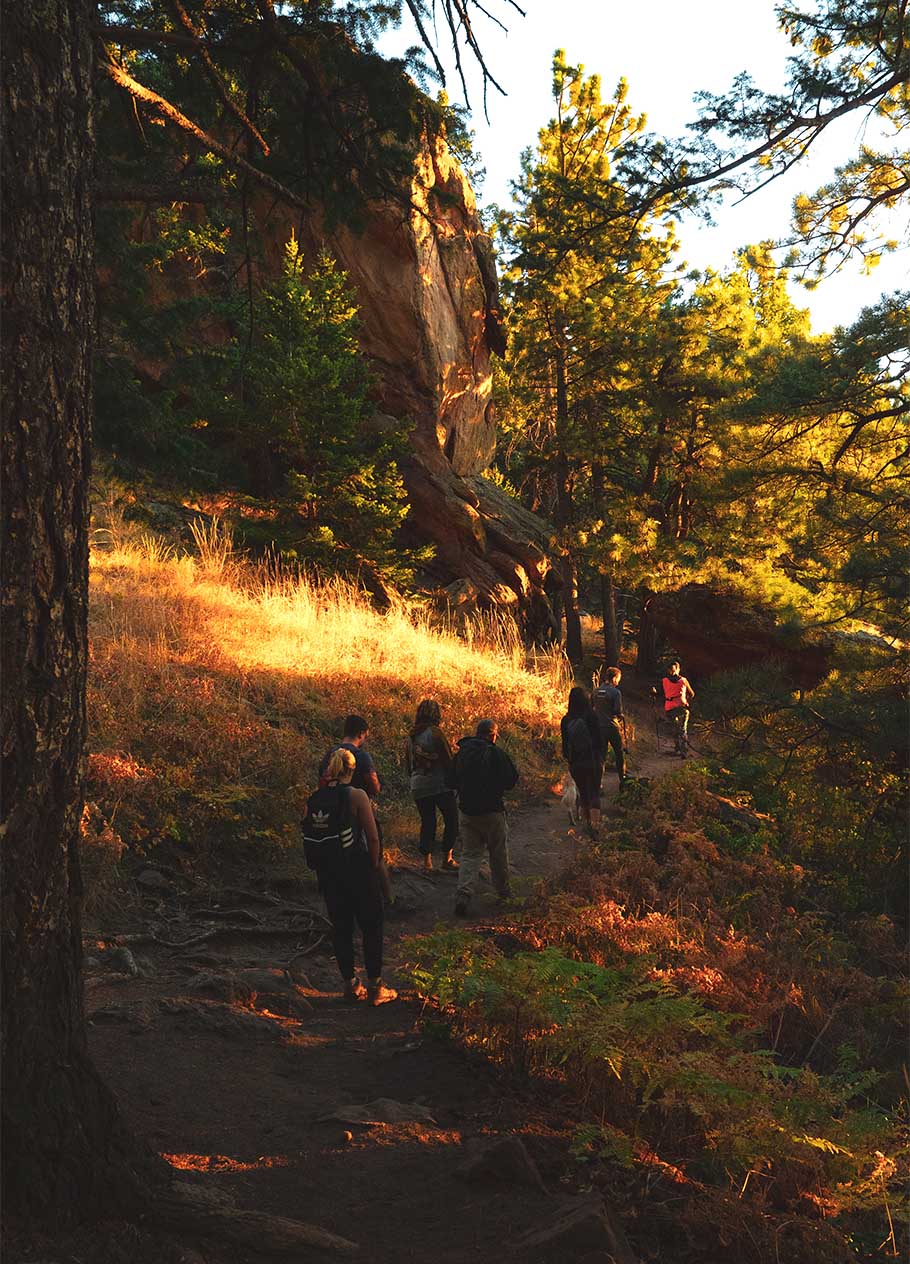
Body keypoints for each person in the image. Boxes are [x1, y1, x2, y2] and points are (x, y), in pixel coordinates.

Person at [302, 747, 397, 1006]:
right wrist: (375, 865)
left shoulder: (315, 798)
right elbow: (373, 835)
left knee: (341, 927)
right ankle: (376, 987)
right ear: (351, 770)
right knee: (371, 925)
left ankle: (350, 985)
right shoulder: (357, 795)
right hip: (358, 871)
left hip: (329, 873)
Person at [318, 714, 395, 907]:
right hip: (359, 813)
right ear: (361, 733)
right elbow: (375, 788)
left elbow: (321, 783)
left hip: (332, 814)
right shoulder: (361, 756)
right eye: (366, 735)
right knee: (374, 856)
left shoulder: (329, 753)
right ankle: (388, 900)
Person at [450, 719, 519, 917]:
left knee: (470, 854)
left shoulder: (462, 752)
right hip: (492, 811)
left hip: (467, 812)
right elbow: (511, 780)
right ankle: (504, 893)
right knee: (497, 853)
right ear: (492, 735)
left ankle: (463, 894)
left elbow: (450, 779)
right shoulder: (496, 753)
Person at [403, 699, 459, 871]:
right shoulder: (436, 733)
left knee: (428, 821)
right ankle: (447, 858)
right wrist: (455, 781)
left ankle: (427, 862)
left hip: (418, 785)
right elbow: (448, 760)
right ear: (436, 715)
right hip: (439, 784)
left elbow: (408, 765)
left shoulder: (410, 736)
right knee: (451, 819)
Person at [560, 686, 605, 838]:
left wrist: (570, 760)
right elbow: (599, 739)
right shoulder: (592, 716)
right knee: (594, 794)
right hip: (593, 760)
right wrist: (601, 757)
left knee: (584, 794)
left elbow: (565, 745)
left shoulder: (566, 720)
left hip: (576, 764)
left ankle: (587, 825)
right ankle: (596, 828)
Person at [593, 666, 627, 786]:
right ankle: (622, 780)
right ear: (614, 678)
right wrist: (621, 716)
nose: (618, 682)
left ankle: (599, 784)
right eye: (618, 679)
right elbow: (617, 710)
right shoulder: (616, 692)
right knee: (619, 752)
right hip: (612, 726)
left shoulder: (596, 691)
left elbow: (592, 708)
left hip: (598, 727)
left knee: (601, 756)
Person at [661, 660, 696, 757]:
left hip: (669, 708)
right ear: (678, 669)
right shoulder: (683, 680)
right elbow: (692, 694)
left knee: (674, 728)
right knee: (683, 729)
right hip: (682, 707)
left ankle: (677, 749)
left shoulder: (664, 681)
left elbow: (662, 694)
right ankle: (684, 751)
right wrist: (685, 699)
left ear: (668, 670)